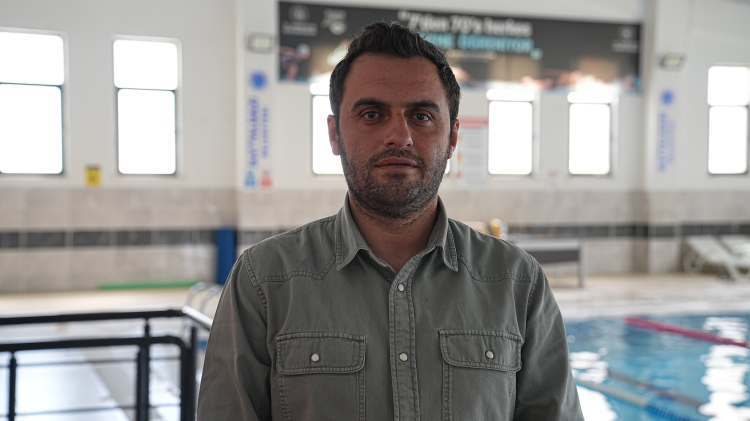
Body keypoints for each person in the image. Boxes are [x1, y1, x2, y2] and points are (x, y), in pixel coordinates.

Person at [198, 21, 583, 421]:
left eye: (421, 115)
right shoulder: (266, 281)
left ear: (452, 138)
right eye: (371, 114)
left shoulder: (517, 283)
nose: (400, 136)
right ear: (334, 134)